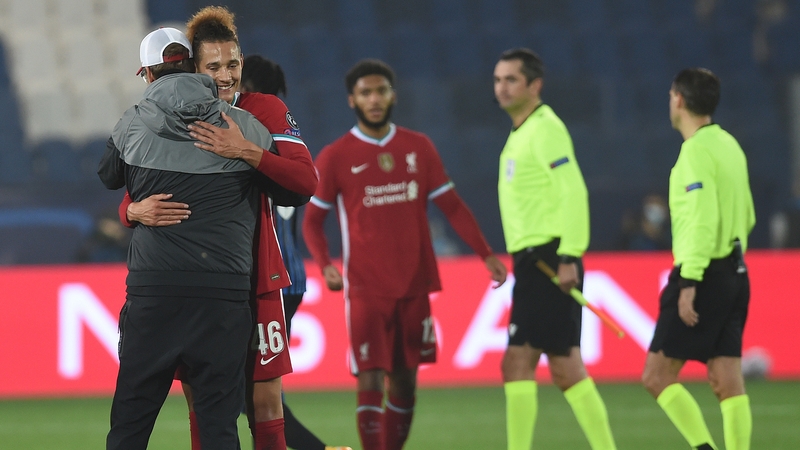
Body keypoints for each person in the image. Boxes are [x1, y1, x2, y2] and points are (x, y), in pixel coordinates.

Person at [116, 8, 319, 450]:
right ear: (192, 68)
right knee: (205, 405)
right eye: (214, 66)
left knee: (265, 402)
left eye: (233, 64)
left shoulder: (264, 109)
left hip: (258, 279)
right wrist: (132, 212)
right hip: (201, 286)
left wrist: (246, 150)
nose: (226, 76)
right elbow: (136, 188)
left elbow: (306, 183)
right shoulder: (174, 116)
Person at [302, 59, 508, 450]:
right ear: (352, 100)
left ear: (393, 95)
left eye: (381, 91)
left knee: (406, 381)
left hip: (414, 282)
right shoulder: (336, 155)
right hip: (365, 287)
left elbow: (452, 206)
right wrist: (326, 265)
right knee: (369, 378)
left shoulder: (418, 147)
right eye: (366, 93)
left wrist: (485, 254)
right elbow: (312, 221)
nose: (374, 99)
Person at [493, 48, 617, 450]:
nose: (502, 87)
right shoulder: (522, 131)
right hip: (534, 260)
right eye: (498, 79)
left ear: (535, 85)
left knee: (516, 363)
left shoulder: (546, 128)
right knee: (565, 368)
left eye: (512, 79)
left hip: (548, 258)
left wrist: (569, 256)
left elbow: (573, 191)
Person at [240, 53, 352, 450]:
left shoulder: (251, 140)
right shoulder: (289, 141)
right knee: (261, 387)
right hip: (291, 277)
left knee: (252, 390)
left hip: (268, 278)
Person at [641, 68, 755, 450]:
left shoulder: (694, 153)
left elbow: (701, 220)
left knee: (657, 375)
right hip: (736, 271)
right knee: (727, 379)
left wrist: (690, 281)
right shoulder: (730, 146)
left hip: (703, 272)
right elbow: (748, 215)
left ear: (679, 100)